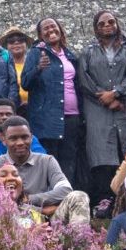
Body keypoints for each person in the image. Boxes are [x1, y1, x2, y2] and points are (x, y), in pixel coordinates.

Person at [76, 10, 126, 214]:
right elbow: (84, 79)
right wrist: (104, 98)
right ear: (96, 28)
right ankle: (105, 202)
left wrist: (116, 93)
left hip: (124, 109)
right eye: (102, 23)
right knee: (102, 156)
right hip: (97, 109)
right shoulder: (88, 52)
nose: (107, 25)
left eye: (111, 22)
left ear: (117, 24)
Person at [0, 116, 90, 226]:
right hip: (14, 225)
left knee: (79, 196)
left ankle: (79, 241)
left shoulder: (47, 160)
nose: (20, 142)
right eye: (13, 138)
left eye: (25, 137)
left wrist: (29, 199)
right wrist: (39, 210)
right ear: (4, 140)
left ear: (31, 137)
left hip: (49, 221)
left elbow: (65, 190)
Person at [22, 17, 82, 191]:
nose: (50, 30)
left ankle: (67, 197)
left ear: (60, 29)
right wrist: (38, 68)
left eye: (53, 26)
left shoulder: (69, 54)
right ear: (41, 35)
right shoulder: (36, 53)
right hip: (47, 116)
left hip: (72, 115)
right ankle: (48, 197)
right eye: (45, 29)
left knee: (69, 158)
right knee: (49, 158)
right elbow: (25, 82)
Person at [0, 27, 32, 109]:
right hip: (12, 109)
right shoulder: (2, 67)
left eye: (21, 40)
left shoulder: (34, 64)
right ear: (6, 46)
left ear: (26, 44)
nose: (16, 42)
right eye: (11, 41)